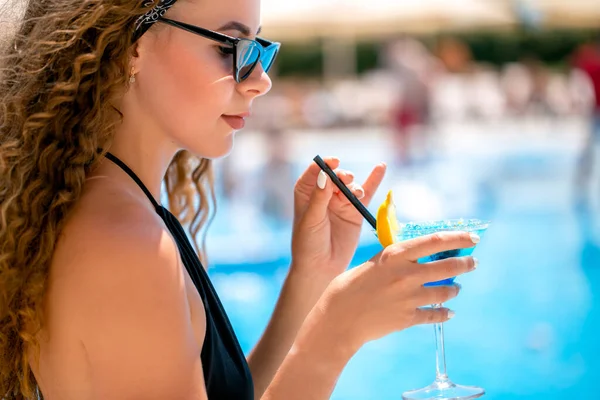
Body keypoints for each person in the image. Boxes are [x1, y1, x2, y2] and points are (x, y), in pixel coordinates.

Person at [0, 0, 480, 399]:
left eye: (261, 50)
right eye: (234, 47)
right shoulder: (124, 243)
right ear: (132, 45)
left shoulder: (122, 208)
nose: (260, 79)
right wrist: (336, 334)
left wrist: (309, 278)